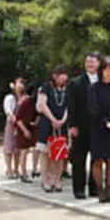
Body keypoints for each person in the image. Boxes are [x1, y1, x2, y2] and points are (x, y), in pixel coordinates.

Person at [67, 53, 101, 199]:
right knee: (79, 159)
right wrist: (72, 125)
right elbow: (71, 105)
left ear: (99, 63)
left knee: (96, 159)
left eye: (92, 62)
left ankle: (94, 188)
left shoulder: (104, 81)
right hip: (80, 127)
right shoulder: (76, 82)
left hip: (98, 127)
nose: (89, 64)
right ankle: (78, 189)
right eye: (87, 62)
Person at [89, 56, 110, 203]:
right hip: (98, 127)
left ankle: (108, 190)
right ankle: (99, 190)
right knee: (98, 160)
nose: (109, 72)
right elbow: (94, 108)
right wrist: (106, 122)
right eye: (106, 69)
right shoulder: (95, 87)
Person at [37, 65, 70, 193]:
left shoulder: (68, 88)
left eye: (65, 74)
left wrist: (62, 120)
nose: (63, 77)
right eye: (60, 74)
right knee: (45, 153)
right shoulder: (46, 87)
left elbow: (69, 105)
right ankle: (45, 180)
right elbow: (42, 105)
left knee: (60, 153)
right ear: (54, 75)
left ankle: (57, 179)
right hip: (47, 123)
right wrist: (53, 119)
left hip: (62, 124)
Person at [2, 78, 25, 178]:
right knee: (9, 147)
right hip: (11, 124)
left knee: (18, 148)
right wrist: (15, 120)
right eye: (18, 83)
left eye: (22, 83)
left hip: (21, 125)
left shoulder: (24, 98)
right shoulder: (10, 97)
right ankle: (9, 169)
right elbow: (8, 111)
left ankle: (16, 169)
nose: (20, 85)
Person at [14, 87, 36, 183]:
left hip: (31, 127)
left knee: (30, 150)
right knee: (24, 150)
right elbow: (18, 119)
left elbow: (38, 115)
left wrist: (34, 122)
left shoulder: (37, 104)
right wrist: (25, 131)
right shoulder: (26, 103)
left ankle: (31, 170)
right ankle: (23, 173)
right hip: (23, 128)